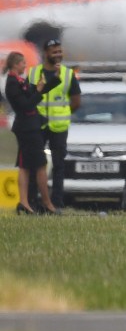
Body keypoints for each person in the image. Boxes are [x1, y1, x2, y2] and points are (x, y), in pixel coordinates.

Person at [27, 39, 81, 210]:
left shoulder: (68, 74)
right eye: (54, 52)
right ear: (46, 54)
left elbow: (76, 100)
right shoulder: (34, 73)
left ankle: (56, 203)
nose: (58, 55)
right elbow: (28, 99)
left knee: (59, 166)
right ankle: (33, 202)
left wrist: (63, 112)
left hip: (59, 127)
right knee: (35, 164)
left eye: (60, 51)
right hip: (38, 126)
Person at [5, 51, 59, 215]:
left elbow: (36, 92)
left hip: (31, 127)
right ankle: (46, 203)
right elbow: (27, 105)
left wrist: (54, 78)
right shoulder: (13, 84)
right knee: (39, 165)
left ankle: (25, 203)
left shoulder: (20, 81)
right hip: (27, 129)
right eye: (22, 63)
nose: (24, 66)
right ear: (15, 64)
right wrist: (38, 92)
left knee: (26, 166)